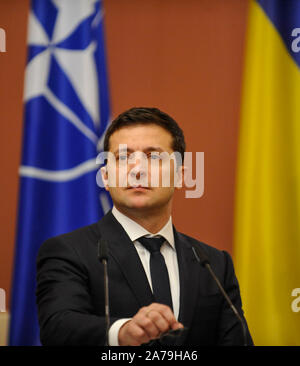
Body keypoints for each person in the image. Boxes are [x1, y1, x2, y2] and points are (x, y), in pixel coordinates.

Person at [36, 107, 253, 346]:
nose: (137, 170)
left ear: (181, 175)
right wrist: (121, 332)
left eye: (154, 157)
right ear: (106, 177)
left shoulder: (214, 263)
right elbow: (57, 329)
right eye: (123, 158)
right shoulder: (68, 251)